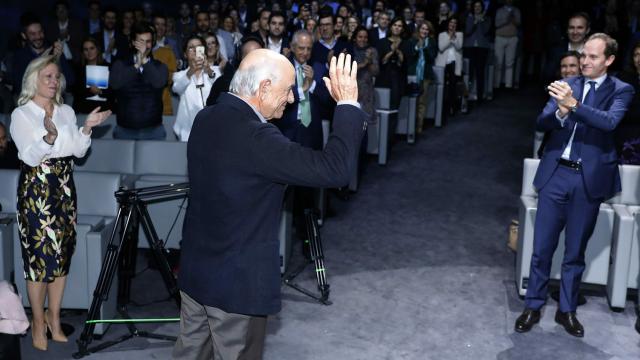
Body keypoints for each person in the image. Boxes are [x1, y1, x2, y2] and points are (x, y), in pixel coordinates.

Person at [174, 49, 366, 360]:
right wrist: (346, 104)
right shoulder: (256, 138)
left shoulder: (206, 118)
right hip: (236, 290)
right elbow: (335, 170)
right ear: (263, 87)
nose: (291, 99)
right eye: (288, 89)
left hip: (197, 275)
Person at [515, 33, 634, 338]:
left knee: (575, 251)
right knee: (541, 248)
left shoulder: (622, 90)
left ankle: (566, 310)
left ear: (609, 60)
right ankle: (533, 305)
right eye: (584, 55)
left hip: (588, 178)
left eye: (593, 57)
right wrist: (559, 111)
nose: (584, 62)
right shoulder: (570, 83)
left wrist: (574, 105)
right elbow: (541, 122)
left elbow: (609, 122)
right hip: (556, 174)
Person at [10, 55, 110, 351]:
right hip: (36, 190)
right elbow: (29, 156)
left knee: (62, 255)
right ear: (33, 80)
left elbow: (78, 152)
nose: (54, 82)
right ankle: (38, 322)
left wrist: (87, 128)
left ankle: (55, 320)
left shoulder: (66, 111)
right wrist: (49, 138)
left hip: (64, 187)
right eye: (47, 77)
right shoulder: (22, 114)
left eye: (56, 77)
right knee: (38, 260)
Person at [110, 22, 168, 140]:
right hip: (124, 130)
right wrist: (136, 65)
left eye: (148, 42)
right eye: (141, 42)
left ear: (152, 43)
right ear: (132, 42)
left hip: (154, 131)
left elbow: (159, 83)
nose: (145, 46)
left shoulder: (160, 66)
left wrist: (145, 62)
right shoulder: (120, 64)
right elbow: (115, 84)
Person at [12, 14, 75, 97]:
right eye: (33, 34)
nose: (38, 36)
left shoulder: (54, 51)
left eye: (40, 32)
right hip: (31, 101)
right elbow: (19, 86)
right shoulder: (20, 56)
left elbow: (70, 80)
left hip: (54, 100)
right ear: (24, 35)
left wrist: (58, 59)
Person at [172, 35, 216, 142]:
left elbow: (219, 87)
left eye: (199, 47)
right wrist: (192, 70)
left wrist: (208, 70)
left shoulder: (214, 71)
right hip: (187, 132)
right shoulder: (179, 75)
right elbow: (176, 88)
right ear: (185, 54)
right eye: (191, 48)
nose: (195, 50)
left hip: (212, 131)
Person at [72, 37, 114, 114]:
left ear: (97, 50)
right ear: (83, 52)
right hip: (85, 110)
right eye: (86, 49)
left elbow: (113, 91)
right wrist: (89, 90)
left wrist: (101, 91)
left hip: (105, 109)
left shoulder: (108, 67)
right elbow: (76, 93)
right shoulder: (78, 69)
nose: (89, 52)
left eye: (92, 48)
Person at [408, 21, 437, 133]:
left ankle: (419, 127)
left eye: (427, 29)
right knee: (412, 101)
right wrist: (417, 48)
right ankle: (410, 126)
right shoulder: (412, 41)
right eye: (422, 29)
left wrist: (424, 48)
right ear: (419, 29)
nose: (424, 31)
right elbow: (410, 56)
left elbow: (432, 57)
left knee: (421, 101)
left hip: (425, 75)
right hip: (413, 74)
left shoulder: (432, 42)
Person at [616, 42, 640, 164]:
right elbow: (623, 112)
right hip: (629, 139)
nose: (639, 58)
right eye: (636, 55)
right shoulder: (625, 81)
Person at [464, 1, 491, 103]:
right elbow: (467, 31)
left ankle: (480, 96)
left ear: (482, 8)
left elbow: (485, 31)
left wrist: (482, 20)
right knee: (469, 73)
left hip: (482, 48)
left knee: (480, 73)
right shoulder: (469, 18)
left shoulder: (487, 18)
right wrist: (475, 21)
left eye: (479, 6)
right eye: (475, 6)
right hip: (469, 47)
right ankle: (466, 96)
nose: (477, 8)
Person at [436, 17, 464, 116]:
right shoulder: (442, 35)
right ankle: (441, 107)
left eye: (455, 23)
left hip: (454, 63)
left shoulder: (460, 34)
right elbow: (441, 48)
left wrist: (454, 38)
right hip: (443, 63)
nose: (452, 24)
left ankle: (452, 107)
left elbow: (459, 46)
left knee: (452, 86)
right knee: (442, 86)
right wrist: (449, 38)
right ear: (448, 24)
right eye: (451, 22)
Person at [352, 26, 379, 124]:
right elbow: (348, 71)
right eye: (360, 37)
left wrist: (370, 61)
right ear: (355, 37)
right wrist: (363, 64)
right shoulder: (350, 50)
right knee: (352, 123)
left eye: (365, 37)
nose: (363, 39)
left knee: (365, 124)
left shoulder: (372, 51)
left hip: (366, 92)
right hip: (351, 91)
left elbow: (375, 72)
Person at [152, 14, 178, 116]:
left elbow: (173, 72)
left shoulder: (171, 45)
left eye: (163, 25)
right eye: (157, 24)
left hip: (164, 94)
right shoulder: (144, 45)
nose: (160, 27)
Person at [493, 0, 520, 89]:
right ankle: (497, 84)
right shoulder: (499, 11)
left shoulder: (516, 11)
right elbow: (496, 24)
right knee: (498, 62)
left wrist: (513, 18)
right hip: (500, 37)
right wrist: (506, 19)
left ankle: (508, 85)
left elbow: (519, 23)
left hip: (512, 37)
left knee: (510, 63)